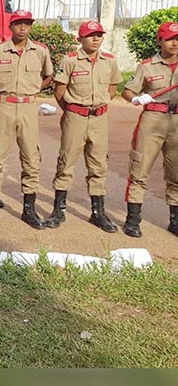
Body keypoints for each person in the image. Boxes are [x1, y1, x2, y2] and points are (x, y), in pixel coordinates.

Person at [43, 21, 122, 232]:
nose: (96, 39)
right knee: (66, 162)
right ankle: (58, 211)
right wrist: (71, 111)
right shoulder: (70, 61)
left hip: (99, 119)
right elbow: (59, 92)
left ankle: (98, 213)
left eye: (99, 35)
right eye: (90, 35)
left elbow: (112, 90)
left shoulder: (110, 61)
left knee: (98, 164)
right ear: (80, 39)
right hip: (75, 117)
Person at [0, 10, 54, 229]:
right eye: (18, 24)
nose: (23, 28)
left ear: (30, 27)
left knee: (31, 157)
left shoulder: (40, 51)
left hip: (28, 106)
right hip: (4, 104)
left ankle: (28, 209)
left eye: (27, 24)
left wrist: (33, 90)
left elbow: (48, 75)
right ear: (11, 27)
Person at [121, 21, 178, 238]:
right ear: (159, 41)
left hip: (177, 122)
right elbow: (127, 91)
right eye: (170, 38)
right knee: (139, 170)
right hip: (153, 119)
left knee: (176, 174)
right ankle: (133, 220)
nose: (175, 43)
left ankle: (175, 221)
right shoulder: (147, 66)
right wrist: (136, 98)